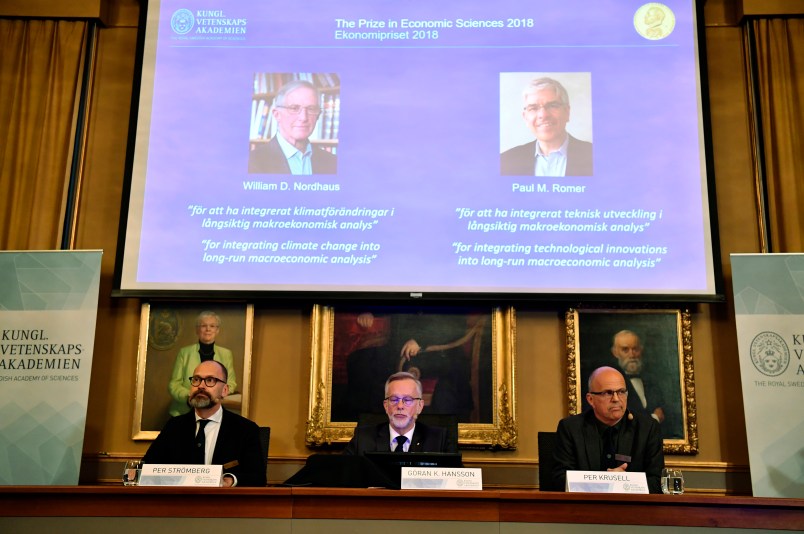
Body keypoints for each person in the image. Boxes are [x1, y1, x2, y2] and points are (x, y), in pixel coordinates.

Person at [143, 360, 266, 487]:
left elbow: (258, 478)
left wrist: (229, 480)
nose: (201, 386)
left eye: (210, 380)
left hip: (224, 504)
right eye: (196, 379)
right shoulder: (174, 426)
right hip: (179, 503)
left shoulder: (245, 429)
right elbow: (146, 468)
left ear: (224, 390)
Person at [552, 366, 664, 493]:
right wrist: (607, 483)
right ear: (590, 399)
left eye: (621, 392)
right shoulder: (571, 428)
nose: (616, 399)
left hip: (632, 509)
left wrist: (623, 483)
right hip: (585, 508)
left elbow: (658, 482)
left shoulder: (647, 428)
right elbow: (559, 480)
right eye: (608, 393)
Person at [343, 371, 457, 455]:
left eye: (407, 400)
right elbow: (342, 477)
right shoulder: (363, 439)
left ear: (420, 406)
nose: (400, 406)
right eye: (394, 399)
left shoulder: (438, 440)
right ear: (386, 406)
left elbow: (455, 480)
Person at [500, 77, 593, 176]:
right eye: (533, 108)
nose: (543, 115)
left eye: (552, 106)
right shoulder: (506, 161)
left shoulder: (594, 156)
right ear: (525, 118)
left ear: (567, 112)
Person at [248, 79, 337, 175]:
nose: (303, 118)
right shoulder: (251, 163)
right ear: (277, 114)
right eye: (294, 108)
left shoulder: (333, 162)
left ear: (318, 115)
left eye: (311, 109)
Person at [167, 311, 237, 417]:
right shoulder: (184, 352)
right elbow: (174, 384)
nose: (208, 329)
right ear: (197, 330)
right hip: (183, 412)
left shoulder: (226, 354)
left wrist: (212, 396)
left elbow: (231, 383)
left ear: (217, 330)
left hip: (214, 412)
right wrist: (190, 396)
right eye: (204, 325)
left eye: (212, 326)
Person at [610, 330, 666, 424]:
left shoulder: (651, 380)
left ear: (641, 350)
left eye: (635, 349)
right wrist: (655, 418)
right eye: (625, 350)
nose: (632, 355)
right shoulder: (610, 381)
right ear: (615, 352)